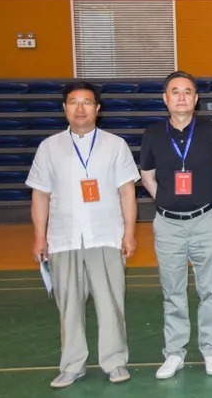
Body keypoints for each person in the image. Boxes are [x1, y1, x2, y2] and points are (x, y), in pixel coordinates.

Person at [27, 81, 139, 388]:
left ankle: (114, 361)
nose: (80, 108)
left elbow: (127, 193)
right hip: (63, 238)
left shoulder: (116, 145)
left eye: (87, 102)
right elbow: (40, 195)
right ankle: (72, 365)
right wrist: (39, 237)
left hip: (106, 236)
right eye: (74, 102)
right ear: (64, 108)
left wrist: (129, 233)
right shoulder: (49, 147)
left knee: (111, 304)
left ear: (97, 109)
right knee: (69, 307)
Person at [139, 71, 212, 378]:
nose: (181, 97)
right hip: (168, 225)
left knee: (210, 290)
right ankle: (174, 352)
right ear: (165, 99)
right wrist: (165, 200)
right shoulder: (153, 134)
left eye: (187, 91)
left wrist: (208, 197)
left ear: (196, 98)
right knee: (172, 292)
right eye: (175, 91)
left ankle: (211, 349)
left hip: (206, 220)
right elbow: (147, 175)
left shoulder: (211, 131)